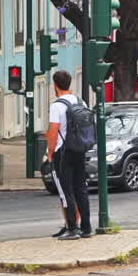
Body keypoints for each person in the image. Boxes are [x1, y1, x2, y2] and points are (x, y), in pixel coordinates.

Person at [46, 70, 92, 240]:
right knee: (81, 188)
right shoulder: (81, 102)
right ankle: (86, 227)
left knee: (66, 191)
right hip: (79, 150)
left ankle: (72, 228)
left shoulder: (57, 106)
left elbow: (53, 131)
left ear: (55, 85)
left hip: (63, 152)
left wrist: (50, 152)